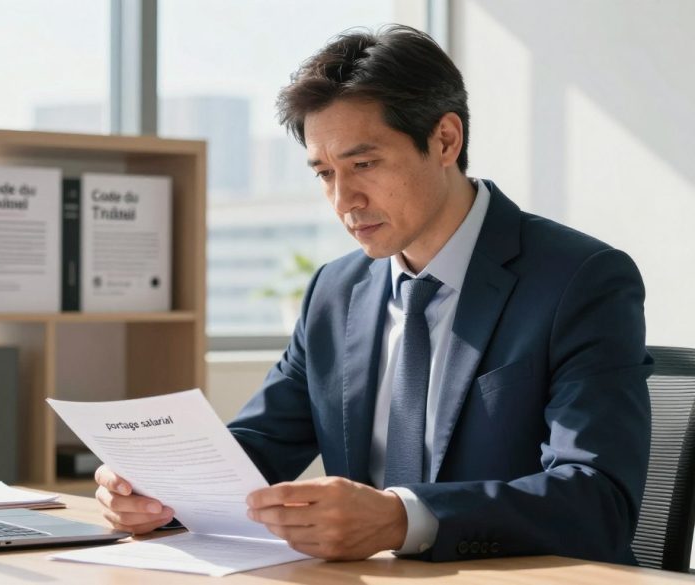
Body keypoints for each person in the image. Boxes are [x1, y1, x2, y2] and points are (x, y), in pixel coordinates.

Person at [94, 24, 652, 564]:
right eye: (325, 174)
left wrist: (399, 518)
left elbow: (597, 498)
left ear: (444, 139)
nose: (344, 200)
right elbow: (256, 448)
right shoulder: (335, 292)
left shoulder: (581, 279)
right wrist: (157, 493)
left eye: (364, 164)